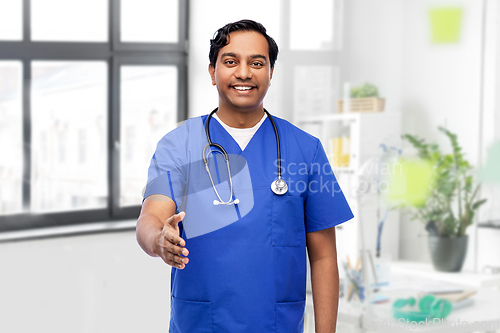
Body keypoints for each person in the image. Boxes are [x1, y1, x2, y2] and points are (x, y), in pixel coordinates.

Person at [136, 19, 353, 333]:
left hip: (275, 324)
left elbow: (323, 258)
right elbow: (149, 219)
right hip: (200, 324)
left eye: (257, 62)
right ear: (212, 72)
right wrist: (158, 240)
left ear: (270, 72)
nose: (244, 73)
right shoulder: (179, 145)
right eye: (230, 61)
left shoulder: (305, 149)